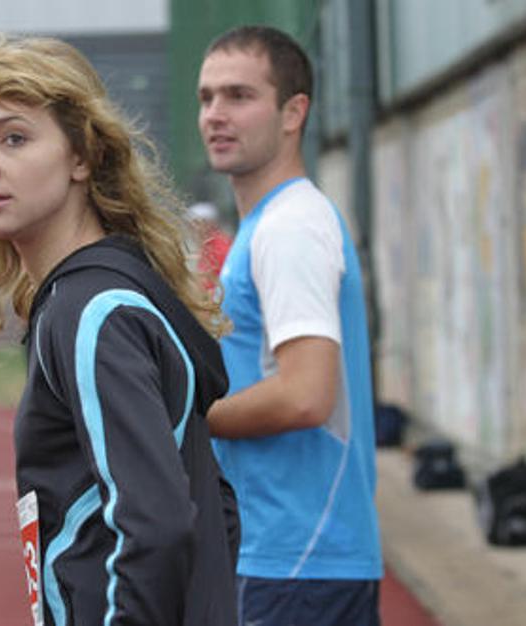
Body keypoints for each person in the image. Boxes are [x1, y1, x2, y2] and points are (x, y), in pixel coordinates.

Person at [0, 33, 239, 626]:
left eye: (13, 138)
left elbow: (158, 524)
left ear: (82, 156)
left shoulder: (91, 312)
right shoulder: (114, 288)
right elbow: (216, 505)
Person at [197, 25, 383, 625]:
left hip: (299, 558)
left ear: (293, 113)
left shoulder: (289, 229)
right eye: (206, 98)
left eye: (239, 96)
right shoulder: (269, 226)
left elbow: (306, 395)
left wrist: (186, 418)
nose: (215, 115)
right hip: (288, 553)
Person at [188, 201, 233, 295]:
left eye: (196, 223)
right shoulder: (207, 246)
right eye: (191, 225)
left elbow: (226, 284)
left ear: (210, 223)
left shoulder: (220, 248)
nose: (192, 229)